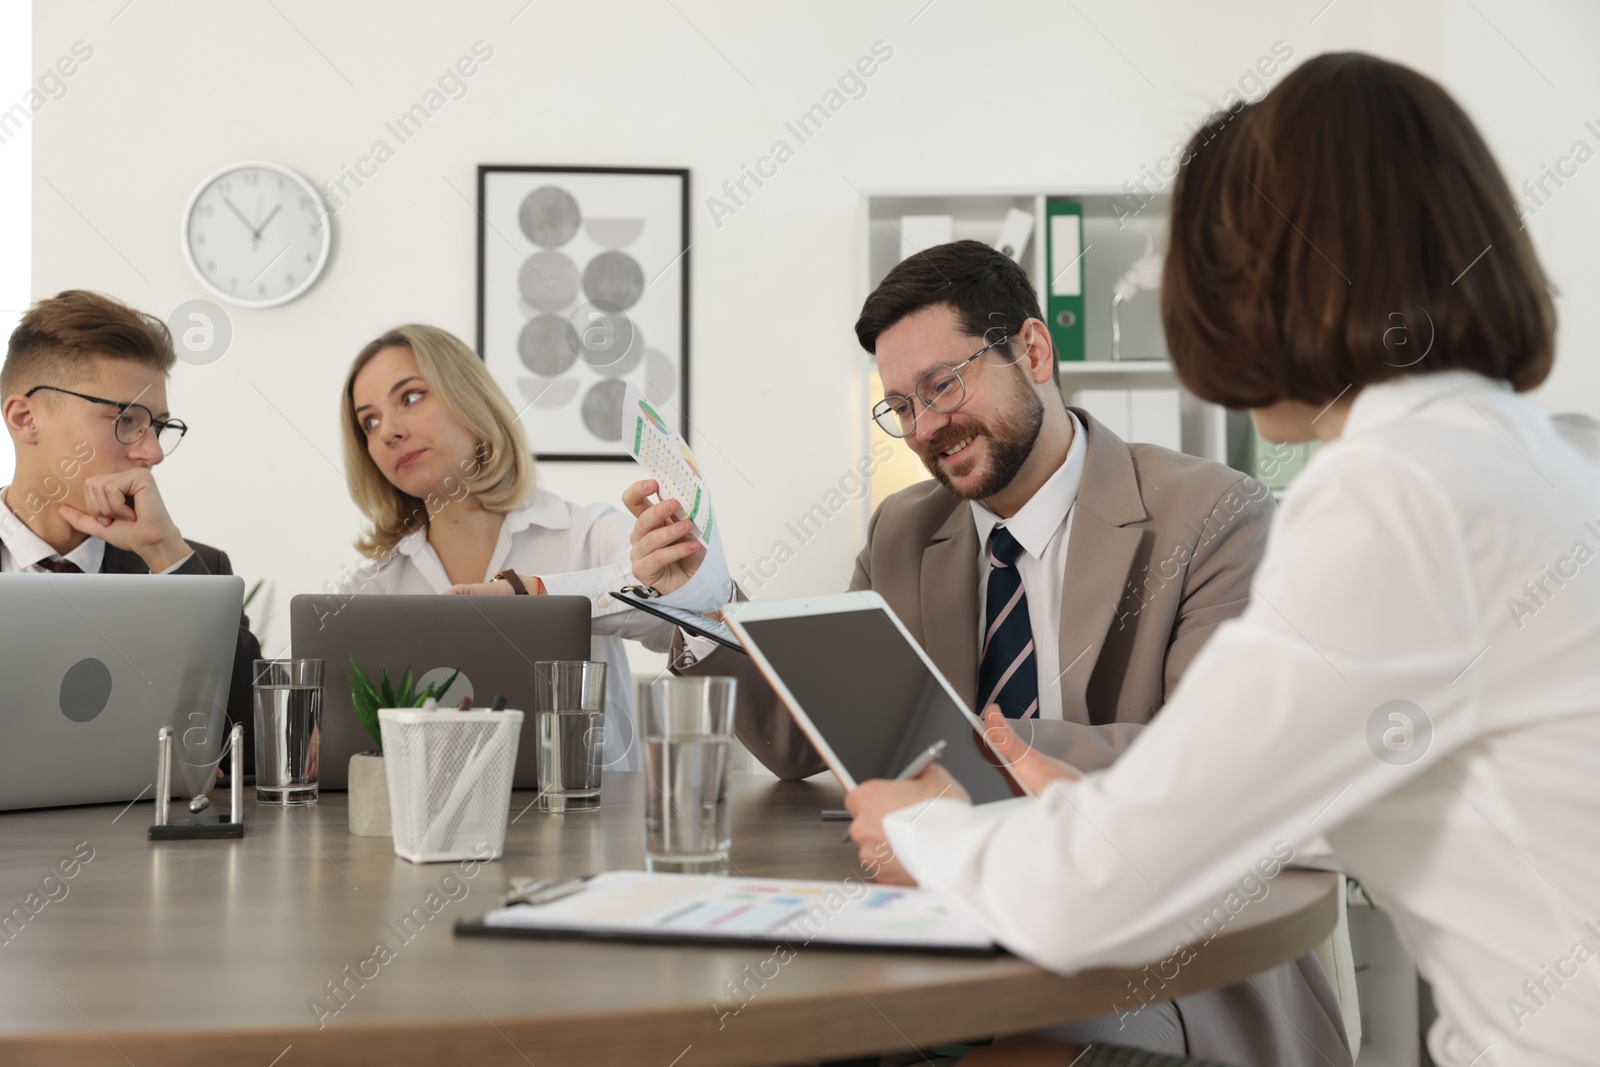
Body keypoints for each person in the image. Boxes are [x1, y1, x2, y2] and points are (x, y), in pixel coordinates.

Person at [845, 52, 1600, 1067]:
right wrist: (1101, 805)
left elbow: (1099, 894)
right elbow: (1296, 796)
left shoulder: (1397, 494)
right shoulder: (1526, 455)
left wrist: (929, 829)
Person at [624, 243, 1351, 1062]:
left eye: (943, 384)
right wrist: (701, 602)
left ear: (1033, 351)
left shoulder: (1211, 514)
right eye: (900, 404)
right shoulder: (905, 529)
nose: (926, 427)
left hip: (1142, 939)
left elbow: (1215, 762)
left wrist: (979, 749)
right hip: (941, 917)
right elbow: (800, 742)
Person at [336, 323, 726, 769]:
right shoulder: (370, 589)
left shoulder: (589, 534)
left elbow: (701, 623)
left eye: (409, 397)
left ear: (470, 399)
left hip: (593, 829)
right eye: (369, 421)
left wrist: (538, 595)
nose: (387, 432)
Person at [0, 290, 262, 772]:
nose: (152, 454)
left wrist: (166, 554)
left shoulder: (185, 568)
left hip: (139, 843)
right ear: (25, 418)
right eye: (126, 420)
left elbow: (253, 746)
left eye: (158, 427)